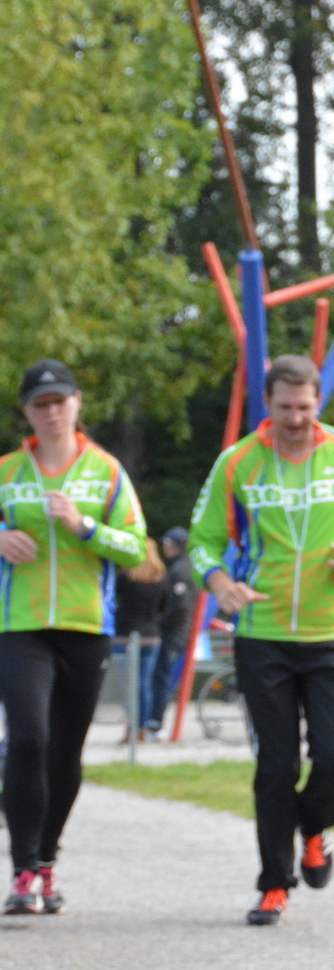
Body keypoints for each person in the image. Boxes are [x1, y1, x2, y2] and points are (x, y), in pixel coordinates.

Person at [188, 355, 334, 925]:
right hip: (264, 635)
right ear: (268, 405)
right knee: (275, 767)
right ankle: (274, 883)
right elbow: (203, 540)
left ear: (318, 403)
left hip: (332, 634)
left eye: (306, 408)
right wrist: (221, 583)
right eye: (285, 408)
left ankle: (315, 828)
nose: (296, 419)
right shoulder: (237, 464)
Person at [0, 360, 150, 915]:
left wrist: (85, 527)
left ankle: (45, 860)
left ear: (77, 404)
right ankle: (20, 872)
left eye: (60, 401)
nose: (52, 412)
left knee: (64, 752)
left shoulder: (107, 472)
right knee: (29, 737)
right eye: (41, 404)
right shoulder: (8, 471)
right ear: (27, 412)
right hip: (19, 625)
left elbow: (137, 549)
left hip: (87, 627)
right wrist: (1, 536)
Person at [112, 536, 169, 742]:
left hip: (124, 636)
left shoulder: (125, 577)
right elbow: (164, 607)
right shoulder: (161, 580)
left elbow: (111, 599)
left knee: (128, 686)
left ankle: (130, 728)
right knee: (144, 684)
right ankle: (142, 728)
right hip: (150, 637)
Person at [147, 526, 198, 737]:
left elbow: (181, 606)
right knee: (162, 676)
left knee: (161, 677)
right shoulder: (184, 567)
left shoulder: (179, 571)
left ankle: (155, 723)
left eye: (167, 543)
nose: (164, 547)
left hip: (173, 632)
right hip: (178, 630)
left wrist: (158, 621)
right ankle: (155, 721)